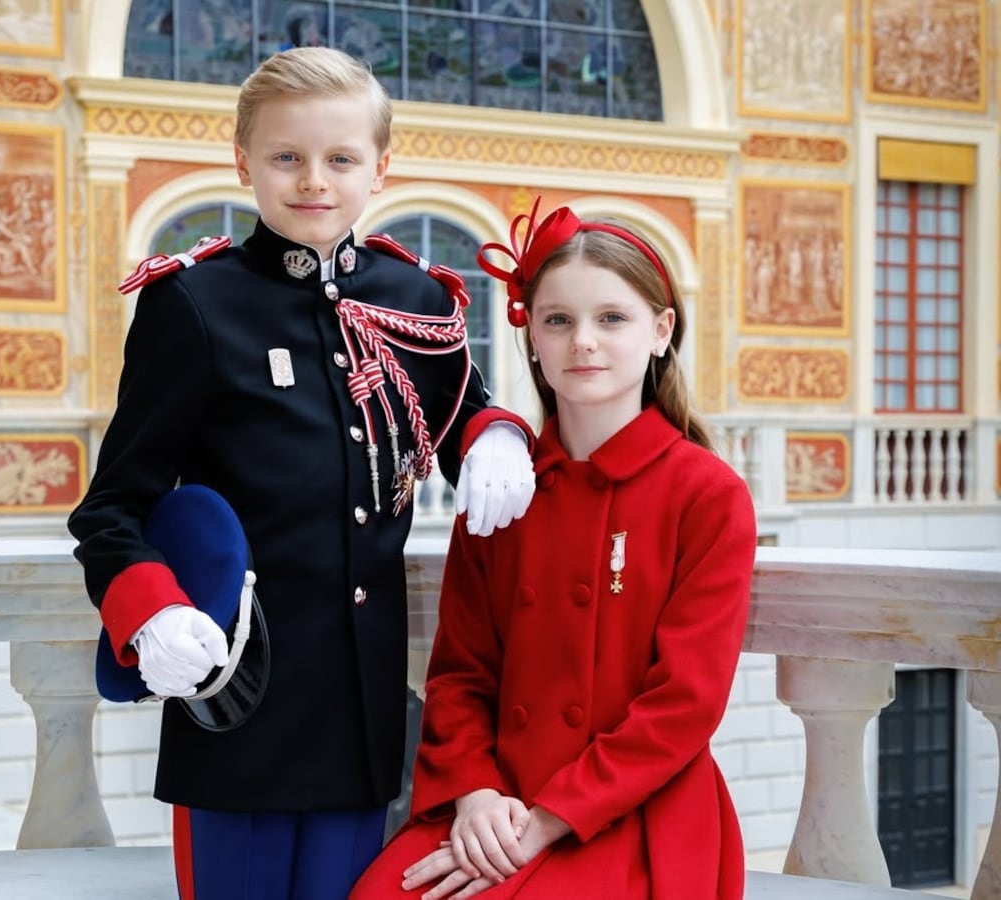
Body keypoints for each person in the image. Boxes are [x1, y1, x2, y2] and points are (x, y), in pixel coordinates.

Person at [67, 47, 536, 900]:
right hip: (235, 705)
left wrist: (499, 435)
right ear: (243, 161)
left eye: (341, 158)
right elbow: (112, 509)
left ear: (381, 169)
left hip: (358, 716)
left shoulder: (416, 297)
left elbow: (465, 406)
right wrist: (148, 613)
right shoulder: (196, 304)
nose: (314, 180)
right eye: (287, 156)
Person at [352, 200, 758, 899]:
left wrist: (547, 821)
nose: (583, 343)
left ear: (661, 332)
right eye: (559, 321)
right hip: (496, 795)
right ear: (531, 335)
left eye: (612, 319)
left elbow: (685, 702)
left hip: (632, 807)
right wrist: (476, 793)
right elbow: (460, 676)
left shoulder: (706, 493)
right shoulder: (503, 490)